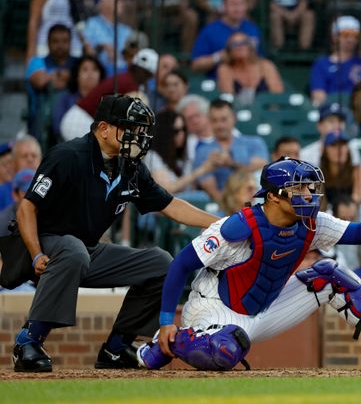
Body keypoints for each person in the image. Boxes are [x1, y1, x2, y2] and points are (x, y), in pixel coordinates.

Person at [136, 158, 361, 371]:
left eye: (311, 188)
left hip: (265, 309)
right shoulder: (238, 228)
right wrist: (167, 321)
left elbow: (360, 233)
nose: (309, 195)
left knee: (328, 276)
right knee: (225, 350)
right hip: (215, 311)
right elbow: (181, 264)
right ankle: (170, 343)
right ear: (273, 197)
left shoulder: (312, 222)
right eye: (299, 189)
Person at [0, 94, 219, 373]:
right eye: (129, 129)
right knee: (73, 249)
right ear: (103, 129)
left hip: (84, 250)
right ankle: (29, 340)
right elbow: (26, 209)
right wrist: (35, 254)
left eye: (140, 131)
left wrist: (221, 222)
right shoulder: (67, 156)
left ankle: (116, 348)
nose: (137, 137)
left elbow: (171, 205)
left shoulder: (131, 166)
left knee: (161, 263)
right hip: (44, 242)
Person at [59, 48, 158, 141]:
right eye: (143, 72)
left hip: (83, 118)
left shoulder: (127, 79)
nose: (143, 75)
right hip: (81, 119)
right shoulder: (130, 83)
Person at [193, 99, 269, 204]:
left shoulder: (254, 142)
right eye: (214, 120)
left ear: (233, 118)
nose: (220, 125)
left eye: (224, 119)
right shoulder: (202, 151)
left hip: (257, 200)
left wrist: (230, 163)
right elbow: (210, 188)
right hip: (224, 206)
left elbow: (262, 165)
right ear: (209, 121)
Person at [144, 110, 222, 197]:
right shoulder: (153, 156)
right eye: (176, 131)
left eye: (183, 129)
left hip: (185, 205)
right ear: (165, 133)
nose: (182, 134)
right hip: (160, 209)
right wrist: (202, 169)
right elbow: (167, 189)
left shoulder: (183, 153)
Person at [191, 0, 262, 76]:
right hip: (217, 82)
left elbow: (260, 59)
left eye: (241, 3)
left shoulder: (253, 29)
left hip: (249, 81)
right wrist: (218, 57)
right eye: (233, 4)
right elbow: (196, 65)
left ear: (246, 6)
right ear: (223, 6)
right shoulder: (210, 30)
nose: (237, 8)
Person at [309, 15, 361, 106]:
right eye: (345, 35)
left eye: (354, 35)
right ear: (334, 37)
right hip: (332, 112)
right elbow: (318, 96)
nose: (350, 39)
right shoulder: (322, 64)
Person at [216, 32, 284, 104]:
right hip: (237, 112)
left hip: (268, 111)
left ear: (250, 47)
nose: (240, 46)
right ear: (229, 51)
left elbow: (277, 97)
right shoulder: (225, 69)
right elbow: (228, 100)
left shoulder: (266, 66)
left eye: (243, 43)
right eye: (235, 44)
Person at [52, 55, 106, 142]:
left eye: (95, 69)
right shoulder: (65, 100)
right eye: (85, 69)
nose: (90, 74)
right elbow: (57, 128)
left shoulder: (106, 101)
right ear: (77, 75)